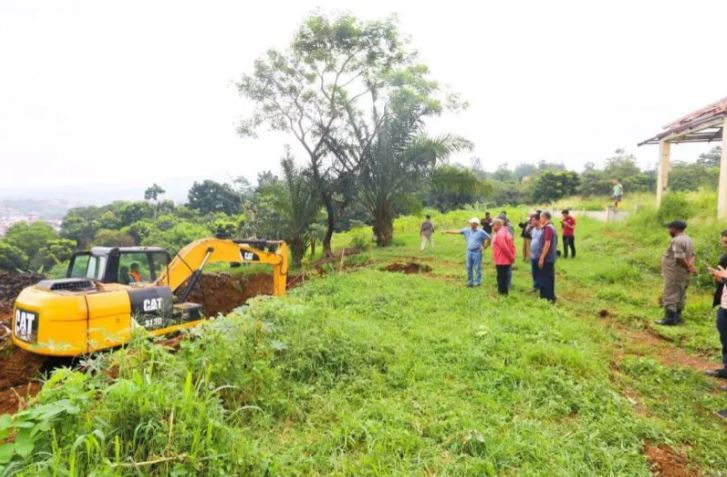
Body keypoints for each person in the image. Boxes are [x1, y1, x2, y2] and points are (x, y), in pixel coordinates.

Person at [656, 220, 696, 326]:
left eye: (670, 228)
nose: (668, 231)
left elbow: (679, 258)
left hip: (675, 272)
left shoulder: (677, 241)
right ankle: (677, 317)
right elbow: (692, 255)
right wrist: (690, 266)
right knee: (681, 293)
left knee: (670, 293)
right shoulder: (688, 239)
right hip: (683, 273)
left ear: (675, 229)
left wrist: (689, 267)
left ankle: (669, 318)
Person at [444, 217, 490, 287]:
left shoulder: (481, 232)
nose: (471, 224)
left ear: (476, 224)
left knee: (477, 268)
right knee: (469, 267)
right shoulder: (466, 230)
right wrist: (447, 231)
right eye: (470, 223)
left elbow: (489, 238)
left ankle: (477, 283)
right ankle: (470, 283)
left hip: (477, 252)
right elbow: (457, 231)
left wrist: (484, 247)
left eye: (472, 223)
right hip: (469, 252)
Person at [706, 229, 727, 380]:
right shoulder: (725, 258)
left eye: (726, 242)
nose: (724, 245)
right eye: (723, 242)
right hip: (724, 305)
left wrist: (725, 277)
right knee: (725, 338)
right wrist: (718, 277)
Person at [491, 218, 516, 295]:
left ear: (497, 225)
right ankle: (504, 293)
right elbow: (512, 246)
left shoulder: (500, 234)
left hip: (502, 260)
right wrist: (512, 256)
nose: (492, 228)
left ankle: (502, 295)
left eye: (493, 226)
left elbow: (504, 247)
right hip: (505, 260)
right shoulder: (506, 232)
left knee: (501, 278)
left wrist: (511, 257)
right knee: (504, 278)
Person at [537, 212, 558, 302]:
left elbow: (547, 244)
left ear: (544, 218)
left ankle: (547, 298)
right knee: (549, 277)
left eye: (540, 218)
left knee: (546, 278)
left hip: (547, 258)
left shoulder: (548, 228)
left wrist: (542, 257)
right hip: (551, 257)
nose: (540, 220)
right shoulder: (551, 227)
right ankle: (551, 296)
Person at [529, 213, 543, 293]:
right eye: (531, 220)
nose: (532, 222)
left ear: (538, 220)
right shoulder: (533, 229)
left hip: (540, 255)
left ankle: (542, 288)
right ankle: (535, 286)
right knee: (534, 272)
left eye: (533, 220)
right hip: (533, 255)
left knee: (540, 272)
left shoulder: (543, 230)